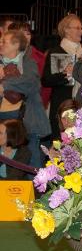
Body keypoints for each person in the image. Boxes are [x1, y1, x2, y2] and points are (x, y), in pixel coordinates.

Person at [0, 30, 51, 169]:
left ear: (16, 45)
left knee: (32, 162)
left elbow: (32, 84)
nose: (0, 44)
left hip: (26, 120)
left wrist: (4, 84)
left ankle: (34, 190)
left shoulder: (28, 63)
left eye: (4, 41)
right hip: (1, 119)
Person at [42, 14, 82, 140]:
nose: (81, 31)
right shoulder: (57, 51)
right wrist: (66, 74)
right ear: (66, 30)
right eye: (77, 28)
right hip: (62, 107)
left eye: (81, 28)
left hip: (81, 104)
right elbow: (46, 80)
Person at [8, 21, 51, 109]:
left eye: (28, 34)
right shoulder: (4, 56)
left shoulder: (39, 57)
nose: (26, 37)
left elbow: (45, 85)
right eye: (21, 34)